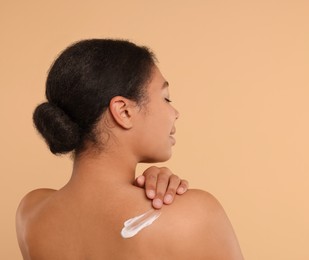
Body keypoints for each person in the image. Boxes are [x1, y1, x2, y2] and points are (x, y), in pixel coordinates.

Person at [16, 39, 244, 259]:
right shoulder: (195, 215)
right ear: (124, 112)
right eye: (166, 98)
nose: (175, 113)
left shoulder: (31, 212)